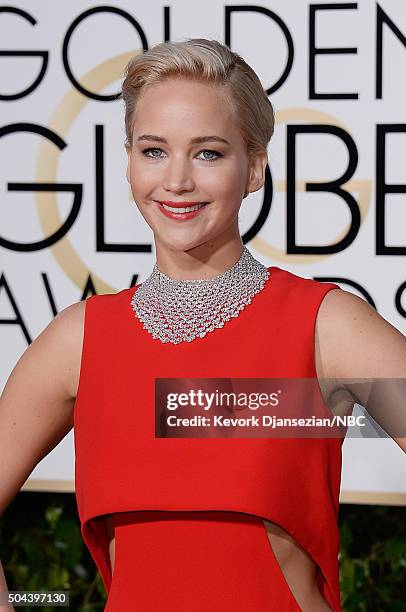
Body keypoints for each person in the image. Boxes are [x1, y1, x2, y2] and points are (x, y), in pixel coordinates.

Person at [0, 38, 405, 612]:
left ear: (255, 166)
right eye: (154, 150)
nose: (177, 181)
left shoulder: (322, 325)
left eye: (209, 153)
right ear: (129, 162)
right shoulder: (81, 341)